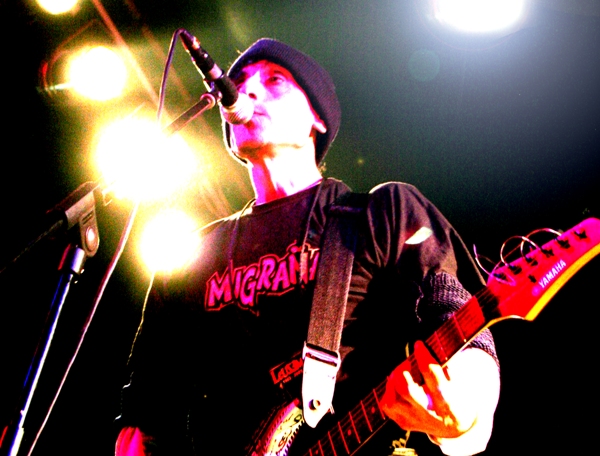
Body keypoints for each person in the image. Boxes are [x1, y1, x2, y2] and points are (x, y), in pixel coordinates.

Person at [114, 38, 501, 456]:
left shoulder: (382, 212)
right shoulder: (193, 254)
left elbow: (457, 313)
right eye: (239, 81)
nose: (246, 90)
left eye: (275, 80)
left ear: (317, 118)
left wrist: (467, 416)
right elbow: (149, 402)